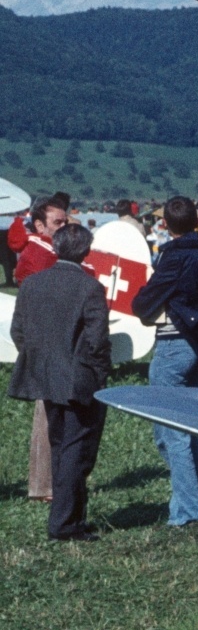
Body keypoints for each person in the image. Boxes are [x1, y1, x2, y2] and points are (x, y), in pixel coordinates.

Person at [130, 196, 198, 527]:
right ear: (196, 221)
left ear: (166, 224)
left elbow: (144, 304)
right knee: (195, 430)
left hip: (174, 345)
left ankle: (189, 513)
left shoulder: (174, 257)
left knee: (172, 434)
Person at [8, 222, 110, 541]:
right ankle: (65, 523)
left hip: (46, 377)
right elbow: (97, 341)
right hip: (80, 380)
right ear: (86, 251)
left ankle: (71, 518)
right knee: (76, 451)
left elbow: (18, 331)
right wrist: (100, 375)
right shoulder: (90, 288)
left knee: (60, 446)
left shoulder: (32, 284)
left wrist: (41, 360)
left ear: (55, 247)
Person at [15, 195, 71, 503]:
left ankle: (48, 484)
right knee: (48, 416)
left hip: (56, 345)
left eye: (65, 221)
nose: (63, 227)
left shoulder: (49, 252)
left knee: (53, 414)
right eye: (57, 222)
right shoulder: (37, 254)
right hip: (50, 346)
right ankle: (45, 486)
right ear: (39, 225)